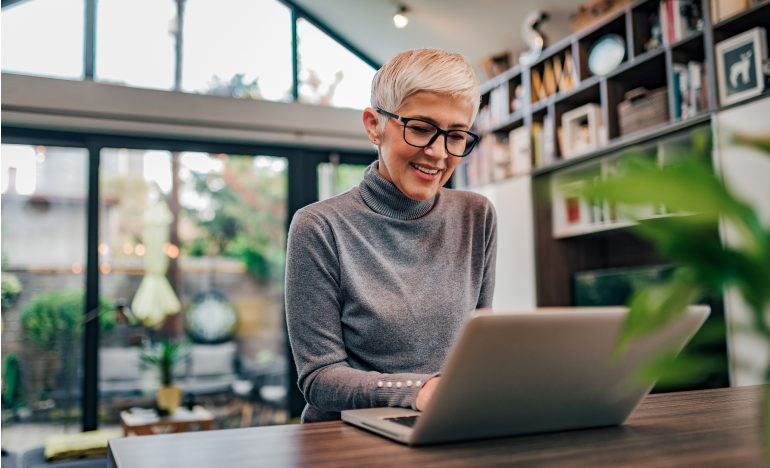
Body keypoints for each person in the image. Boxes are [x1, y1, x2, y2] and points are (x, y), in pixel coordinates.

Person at [285, 48, 497, 423]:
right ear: (374, 125)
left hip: (446, 426)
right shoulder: (319, 227)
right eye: (420, 129)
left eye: (457, 136)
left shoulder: (476, 216)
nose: (437, 153)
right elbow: (319, 379)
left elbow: (480, 347)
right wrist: (418, 391)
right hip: (346, 440)